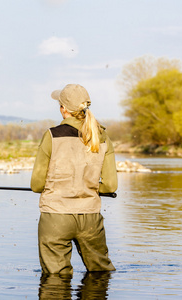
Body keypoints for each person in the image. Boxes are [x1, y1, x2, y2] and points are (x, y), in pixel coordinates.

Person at [31, 83, 118, 275]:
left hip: (55, 218)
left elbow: (36, 185)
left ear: (63, 109)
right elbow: (111, 185)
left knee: (55, 278)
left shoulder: (52, 136)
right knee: (101, 274)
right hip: (90, 218)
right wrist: (90, 187)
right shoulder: (103, 137)